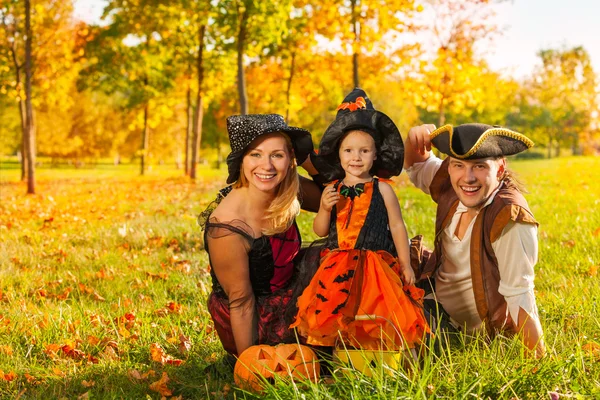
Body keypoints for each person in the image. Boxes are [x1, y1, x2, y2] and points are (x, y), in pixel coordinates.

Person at [291, 88, 430, 350]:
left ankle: (378, 357)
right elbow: (320, 231)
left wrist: (406, 264)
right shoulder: (332, 189)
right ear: (339, 155)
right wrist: (323, 207)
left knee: (376, 310)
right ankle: (342, 359)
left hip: (376, 264)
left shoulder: (383, 188)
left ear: (375, 154)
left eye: (364, 151)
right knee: (337, 310)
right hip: (338, 264)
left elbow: (398, 227)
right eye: (349, 151)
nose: (356, 157)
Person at [404, 123, 545, 357]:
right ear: (450, 167)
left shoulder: (508, 218)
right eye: (459, 165)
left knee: (399, 349)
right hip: (429, 296)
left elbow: (520, 294)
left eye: (479, 166)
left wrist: (538, 364)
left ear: (500, 169)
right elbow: (416, 165)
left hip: (460, 328)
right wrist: (413, 138)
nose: (468, 178)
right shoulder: (452, 183)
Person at [199, 114, 323, 359]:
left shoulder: (286, 185)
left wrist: (308, 162)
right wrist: (249, 364)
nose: (266, 166)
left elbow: (337, 200)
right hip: (255, 317)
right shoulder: (227, 226)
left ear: (290, 160)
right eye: (255, 154)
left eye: (276, 155)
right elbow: (241, 302)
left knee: (347, 259)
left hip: (289, 289)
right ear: (242, 162)